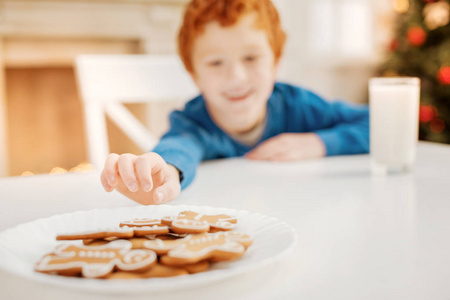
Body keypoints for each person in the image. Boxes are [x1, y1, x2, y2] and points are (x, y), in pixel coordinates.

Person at [101, 0, 369, 205]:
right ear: (194, 74)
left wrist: (318, 143)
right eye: (216, 62)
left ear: (275, 61)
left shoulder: (298, 106)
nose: (236, 77)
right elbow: (178, 148)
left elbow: (375, 122)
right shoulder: (194, 122)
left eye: (251, 58)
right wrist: (166, 172)